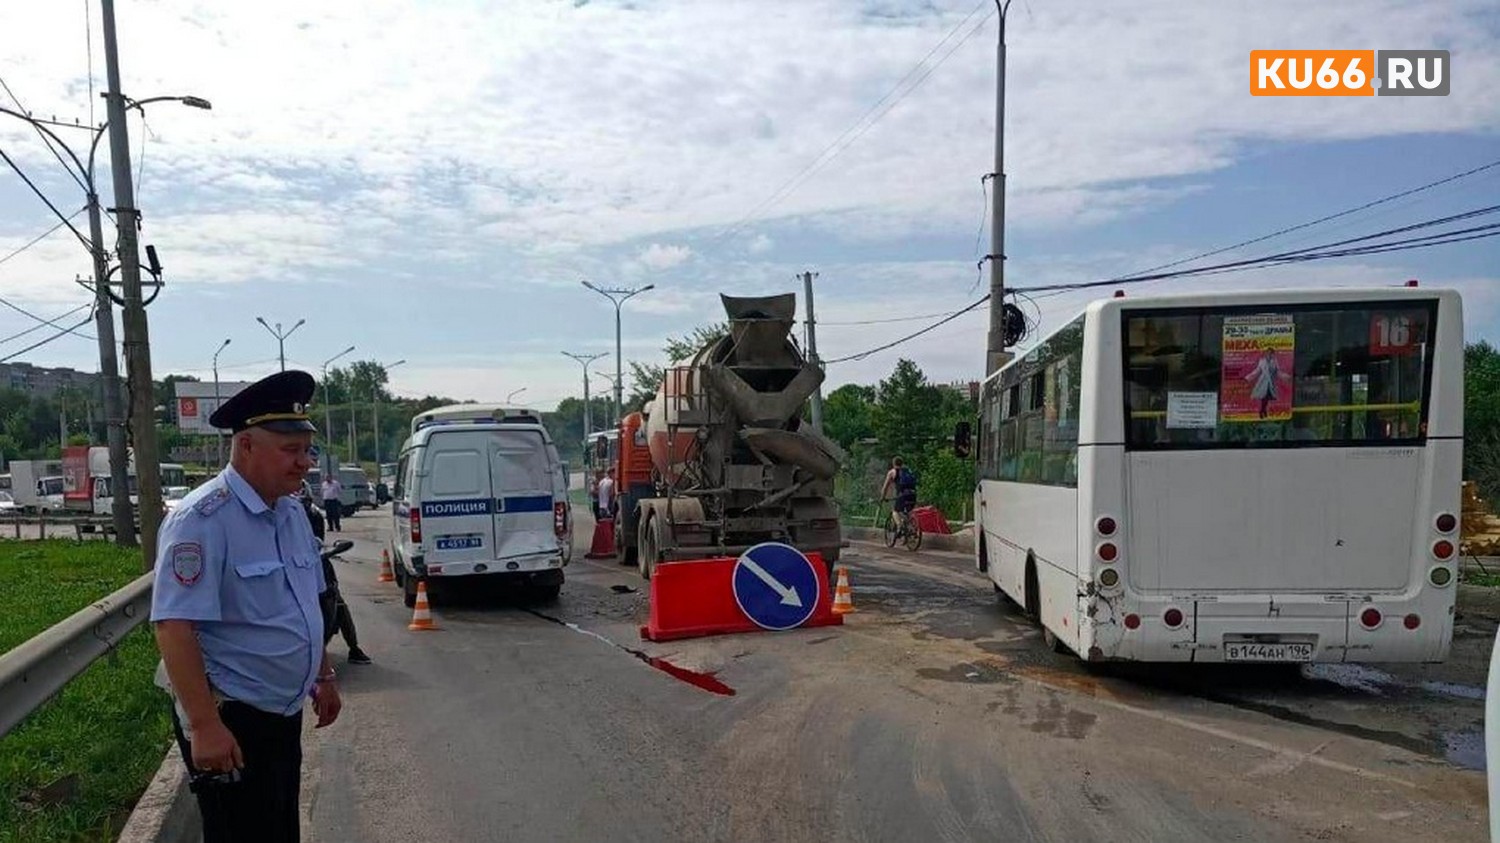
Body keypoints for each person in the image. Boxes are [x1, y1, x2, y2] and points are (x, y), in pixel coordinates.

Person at [150, 370, 341, 843]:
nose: (304, 463)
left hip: (280, 711)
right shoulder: (201, 520)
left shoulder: (291, 514)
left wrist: (322, 675)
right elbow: (174, 627)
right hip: (231, 714)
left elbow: (305, 603)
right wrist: (205, 725)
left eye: (307, 450)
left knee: (278, 829)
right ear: (247, 446)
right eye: (291, 451)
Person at [299, 488, 370, 666]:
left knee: (338, 601)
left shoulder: (314, 516)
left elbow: (319, 543)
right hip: (288, 570)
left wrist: (321, 555)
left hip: (315, 564)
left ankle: (354, 648)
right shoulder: (274, 515)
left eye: (304, 501)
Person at [880, 456, 919, 534]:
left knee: (895, 511)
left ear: (893, 463)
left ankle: (899, 526)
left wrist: (882, 497)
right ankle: (912, 529)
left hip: (902, 495)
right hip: (913, 494)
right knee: (908, 512)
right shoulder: (908, 471)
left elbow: (885, 487)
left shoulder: (892, 472)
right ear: (902, 463)